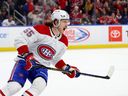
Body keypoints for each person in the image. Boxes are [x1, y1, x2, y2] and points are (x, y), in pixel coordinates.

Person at [0, 9, 80, 96]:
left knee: (40, 85)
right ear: (56, 22)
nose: (67, 25)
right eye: (64, 22)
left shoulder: (64, 41)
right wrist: (26, 55)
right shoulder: (40, 29)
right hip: (25, 62)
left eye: (67, 22)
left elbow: (55, 59)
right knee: (14, 86)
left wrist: (67, 68)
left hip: (42, 67)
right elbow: (20, 39)